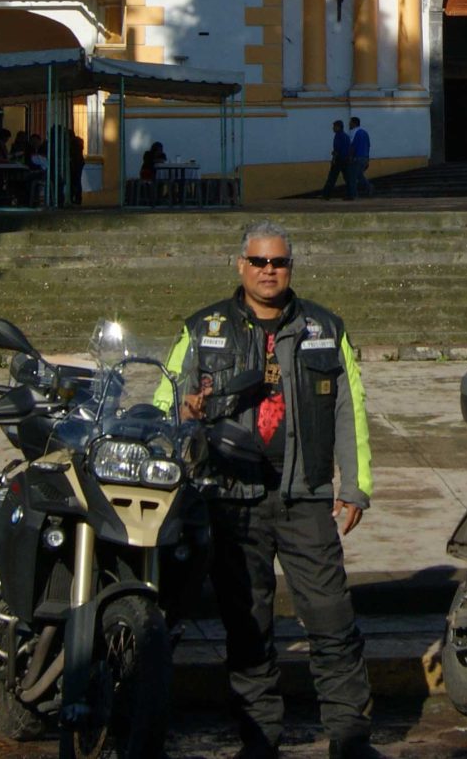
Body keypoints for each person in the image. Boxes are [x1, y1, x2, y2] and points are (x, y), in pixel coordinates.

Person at [156, 221, 374, 759]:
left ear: (290, 267)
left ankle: (350, 738)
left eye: (278, 262)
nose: (268, 271)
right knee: (247, 626)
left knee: (332, 622)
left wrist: (357, 485)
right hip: (231, 500)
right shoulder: (201, 328)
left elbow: (351, 411)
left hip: (305, 497)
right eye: (258, 262)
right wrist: (181, 414)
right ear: (240, 265)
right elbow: (163, 402)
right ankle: (259, 741)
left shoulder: (326, 327)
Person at [317, 120, 351, 201]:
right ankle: (351, 194)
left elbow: (337, 149)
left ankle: (326, 195)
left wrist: (334, 158)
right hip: (345, 159)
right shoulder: (346, 136)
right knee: (348, 178)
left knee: (331, 178)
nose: (333, 128)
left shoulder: (338, 136)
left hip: (339, 159)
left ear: (338, 127)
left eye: (334, 126)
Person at [346, 117, 373, 199]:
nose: (349, 124)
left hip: (357, 157)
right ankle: (368, 187)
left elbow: (352, 146)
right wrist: (367, 158)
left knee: (352, 176)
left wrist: (350, 157)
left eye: (350, 123)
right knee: (359, 175)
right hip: (364, 157)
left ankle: (353, 195)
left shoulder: (354, 132)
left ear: (354, 123)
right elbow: (368, 145)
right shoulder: (365, 133)